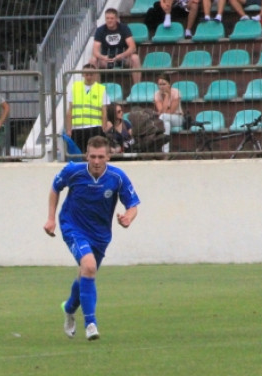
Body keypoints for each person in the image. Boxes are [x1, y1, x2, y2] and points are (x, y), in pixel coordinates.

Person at [44, 135, 140, 342]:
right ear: (86, 155)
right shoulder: (73, 171)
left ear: (108, 157)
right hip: (73, 227)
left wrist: (128, 218)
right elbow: (55, 188)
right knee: (89, 266)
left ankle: (69, 308)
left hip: (100, 235)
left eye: (101, 157)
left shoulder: (117, 177)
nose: (96, 161)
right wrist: (51, 219)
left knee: (85, 274)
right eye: (93, 156)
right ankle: (90, 324)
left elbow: (133, 205)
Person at [66, 64, 110, 153]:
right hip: (77, 128)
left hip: (95, 127)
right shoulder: (75, 87)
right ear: (83, 74)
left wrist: (103, 127)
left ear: (95, 74)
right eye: (86, 74)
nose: (89, 77)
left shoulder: (101, 89)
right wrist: (69, 129)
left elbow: (104, 111)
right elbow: (70, 110)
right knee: (79, 155)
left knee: (94, 153)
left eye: (91, 74)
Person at [92, 8, 142, 83]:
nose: (109, 20)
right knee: (93, 60)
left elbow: (133, 48)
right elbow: (95, 51)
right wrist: (103, 57)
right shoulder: (100, 30)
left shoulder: (124, 28)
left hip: (123, 57)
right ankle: (97, 87)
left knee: (135, 58)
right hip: (106, 59)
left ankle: (137, 86)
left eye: (112, 18)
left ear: (116, 19)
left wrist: (121, 55)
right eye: (107, 18)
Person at [153, 75, 183, 154]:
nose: (161, 87)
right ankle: (165, 152)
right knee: (166, 124)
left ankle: (163, 151)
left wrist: (167, 95)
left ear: (169, 84)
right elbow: (162, 111)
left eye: (164, 84)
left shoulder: (176, 92)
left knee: (163, 117)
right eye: (160, 84)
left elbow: (171, 111)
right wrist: (166, 97)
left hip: (177, 118)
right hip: (165, 119)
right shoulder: (157, 94)